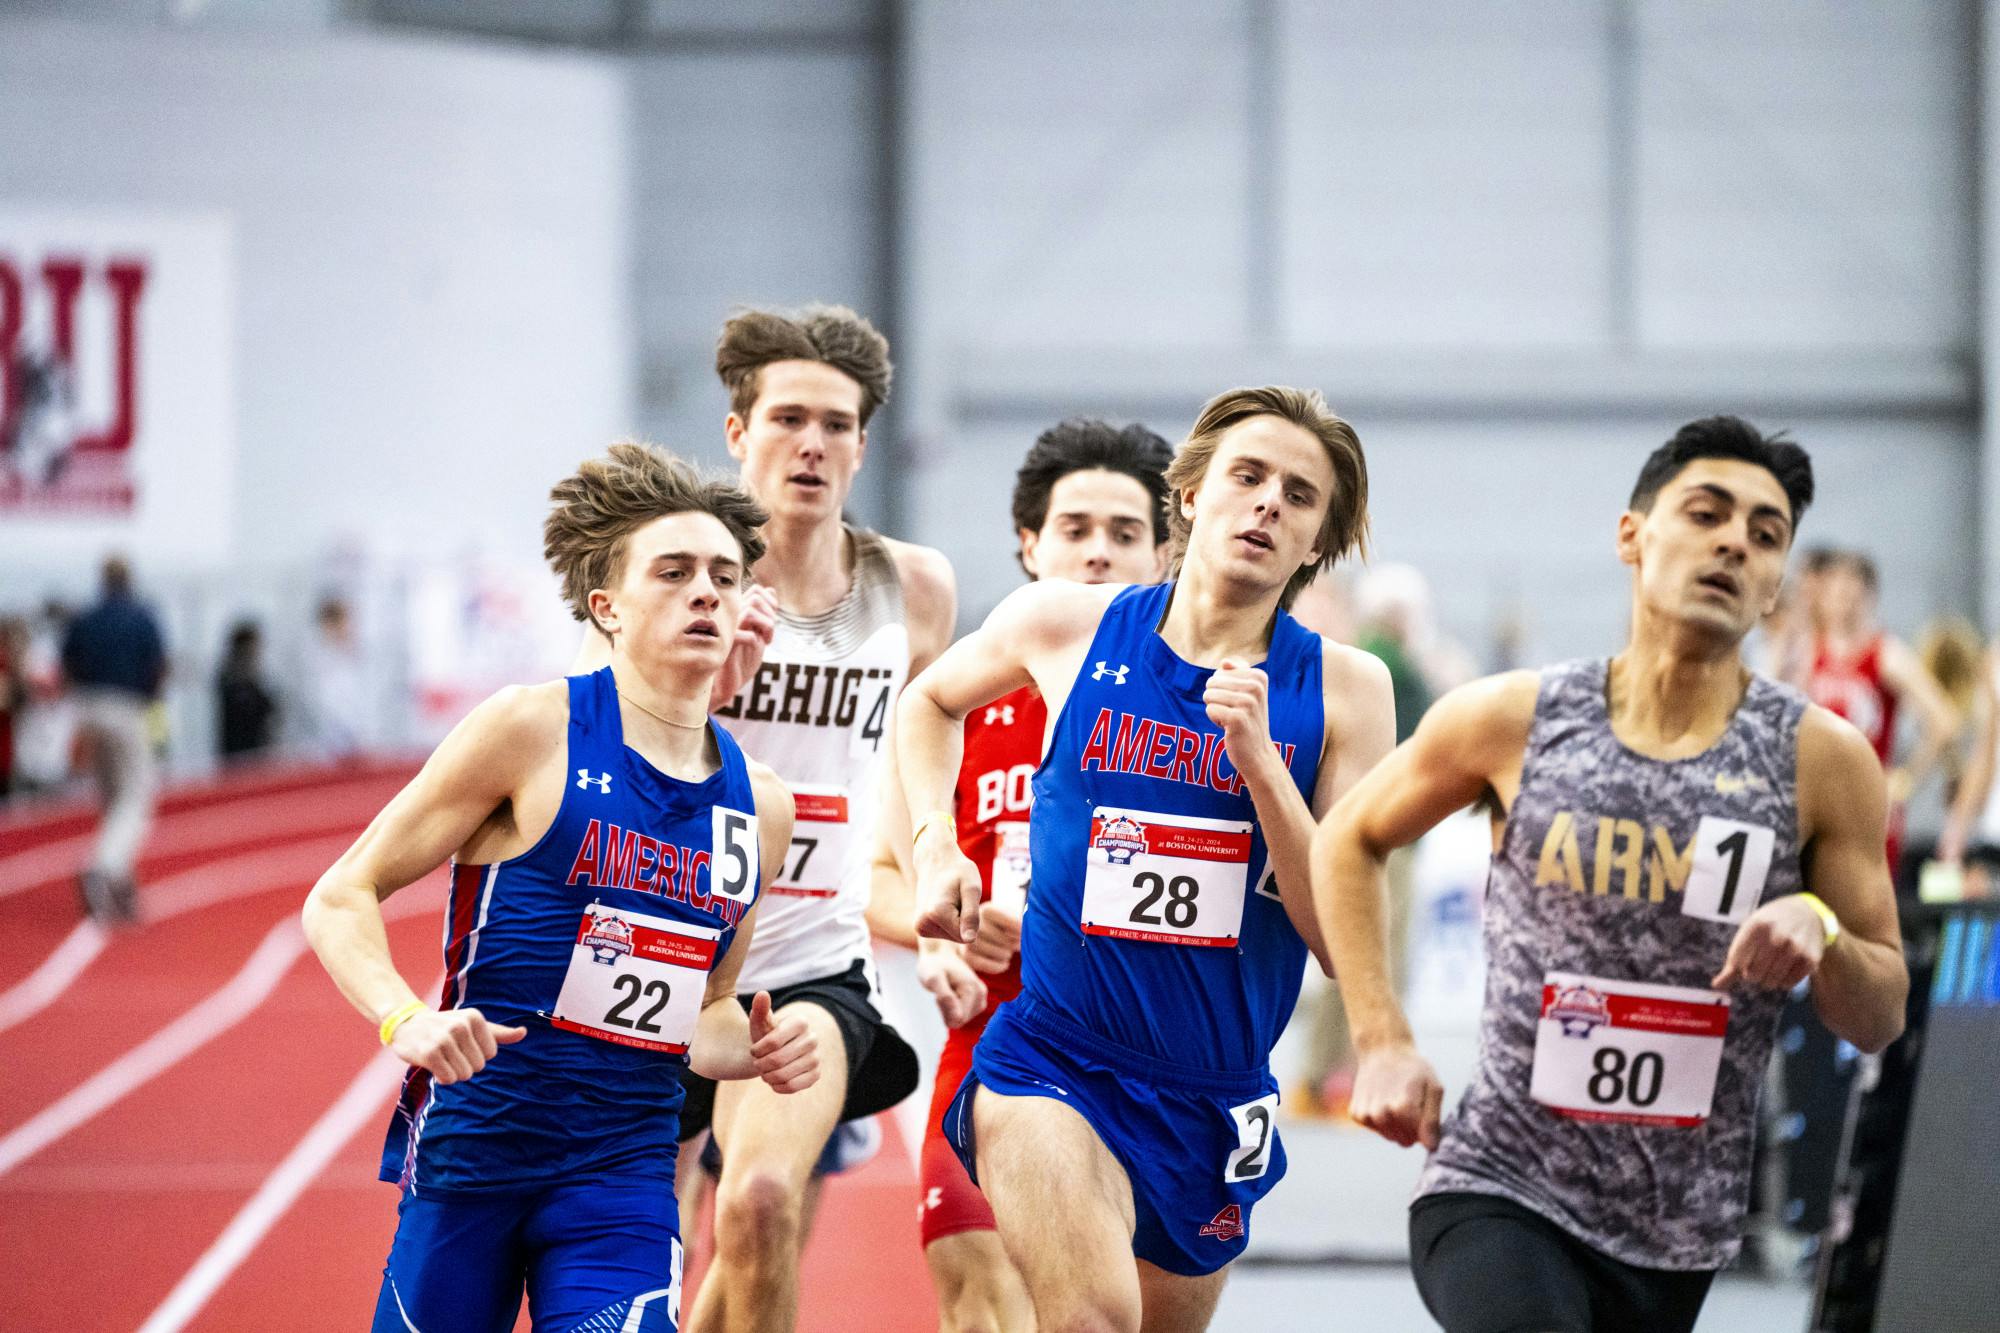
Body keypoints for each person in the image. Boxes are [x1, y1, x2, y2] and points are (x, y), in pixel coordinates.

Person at [1312, 416, 1910, 1333]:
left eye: (1764, 533)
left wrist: (1823, 933)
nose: (1732, 545)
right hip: (1499, 1184)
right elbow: (1346, 839)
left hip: (1676, 1228)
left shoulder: (1820, 761)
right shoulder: (1515, 718)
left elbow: (1880, 1012)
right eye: (1706, 513)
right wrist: (1381, 1036)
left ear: (1777, 581)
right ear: (1633, 535)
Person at [902, 385, 1394, 1331]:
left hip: (1214, 1094)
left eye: (1299, 495)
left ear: (1318, 541)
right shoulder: (1068, 623)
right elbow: (928, 706)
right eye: (1246, 477)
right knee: (1092, 1321)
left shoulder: (1347, 690)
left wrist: (1263, 767)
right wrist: (933, 848)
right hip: (1053, 1057)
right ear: (1191, 498)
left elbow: (1337, 940)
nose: (1266, 505)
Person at [301, 444, 818, 1333]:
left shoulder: (760, 807)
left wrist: (755, 1049)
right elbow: (341, 894)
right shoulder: (532, 730)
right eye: (675, 571)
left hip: (623, 1178)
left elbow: (710, 1009)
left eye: (726, 577)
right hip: (475, 1159)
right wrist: (406, 1018)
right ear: (607, 607)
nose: (706, 592)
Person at [677, 304, 956, 1333]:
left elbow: (930, 745)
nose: (811, 443)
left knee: (755, 1205)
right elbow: (605, 759)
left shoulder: (912, 585)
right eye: (787, 417)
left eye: (834, 423)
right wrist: (704, 695)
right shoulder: (682, 576)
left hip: (809, 967)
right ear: (737, 433)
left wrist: (933, 857)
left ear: (861, 445)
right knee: (653, 1263)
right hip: (659, 956)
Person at [874, 418, 1173, 1333]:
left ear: (1166, 554)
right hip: (993, 1046)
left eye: (1125, 533)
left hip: (1156, 1067)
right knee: (982, 1302)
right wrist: (944, 925)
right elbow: (883, 881)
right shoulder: (955, 704)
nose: (1097, 553)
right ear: (1028, 544)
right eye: (1075, 529)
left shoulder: (1208, 704)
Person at [1800, 549, 1956, 877]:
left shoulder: (1885, 654)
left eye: (1852, 595)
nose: (1843, 604)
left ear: (1869, 598)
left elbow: (1944, 719)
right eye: (1837, 594)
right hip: (1819, 798)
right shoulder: (1808, 652)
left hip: (1868, 803)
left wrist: (1906, 779)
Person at [61, 555, 167, 923]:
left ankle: (118, 878)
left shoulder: (84, 617)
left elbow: (67, 663)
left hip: (88, 706)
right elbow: (157, 664)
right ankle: (106, 868)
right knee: (136, 797)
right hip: (127, 707)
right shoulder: (142, 617)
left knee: (110, 796)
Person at [215, 619, 279, 761]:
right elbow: (248, 709)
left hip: (255, 746)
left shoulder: (253, 674)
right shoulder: (232, 675)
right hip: (240, 750)